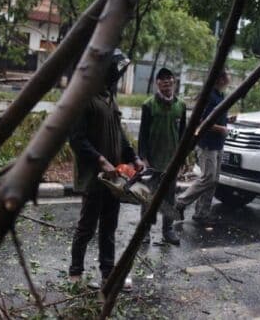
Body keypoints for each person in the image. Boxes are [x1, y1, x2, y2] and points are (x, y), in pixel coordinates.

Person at [68, 49, 144, 289]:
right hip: (95, 176)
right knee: (87, 226)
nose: (115, 74)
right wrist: (101, 161)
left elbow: (119, 135)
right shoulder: (86, 99)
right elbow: (76, 139)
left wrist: (133, 157)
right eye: (112, 69)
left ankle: (108, 274)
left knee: (109, 226)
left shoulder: (110, 98)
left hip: (115, 177)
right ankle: (75, 273)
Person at [175, 70, 231, 225]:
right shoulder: (209, 96)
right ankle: (180, 202)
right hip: (207, 144)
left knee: (214, 180)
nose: (229, 79)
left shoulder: (220, 96)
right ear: (220, 79)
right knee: (208, 177)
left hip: (218, 144)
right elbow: (201, 122)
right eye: (227, 76)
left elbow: (216, 117)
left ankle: (202, 213)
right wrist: (221, 129)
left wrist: (228, 119)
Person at [138, 67, 186, 245]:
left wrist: (182, 159)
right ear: (158, 83)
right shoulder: (149, 105)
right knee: (148, 198)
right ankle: (145, 231)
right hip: (152, 161)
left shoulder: (180, 106)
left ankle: (168, 230)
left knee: (169, 198)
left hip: (171, 161)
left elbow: (183, 135)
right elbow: (142, 134)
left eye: (170, 80)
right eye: (163, 81)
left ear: (174, 82)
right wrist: (143, 157)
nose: (167, 84)